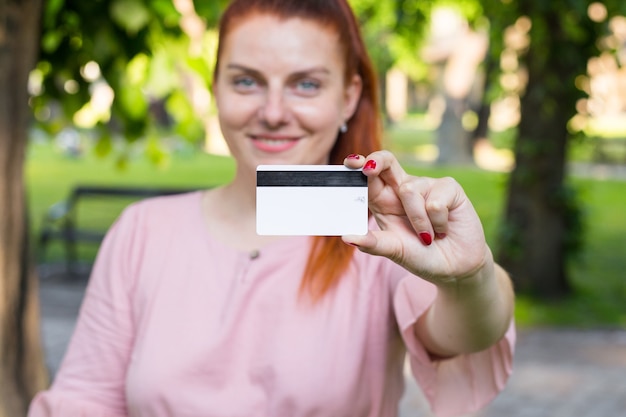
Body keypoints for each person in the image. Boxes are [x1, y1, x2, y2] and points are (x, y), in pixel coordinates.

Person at [28, 0, 515, 416]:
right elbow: (85, 399)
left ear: (349, 97)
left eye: (306, 84)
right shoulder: (143, 232)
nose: (275, 111)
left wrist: (468, 277)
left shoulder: (382, 238)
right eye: (246, 82)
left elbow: (462, 333)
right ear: (216, 88)